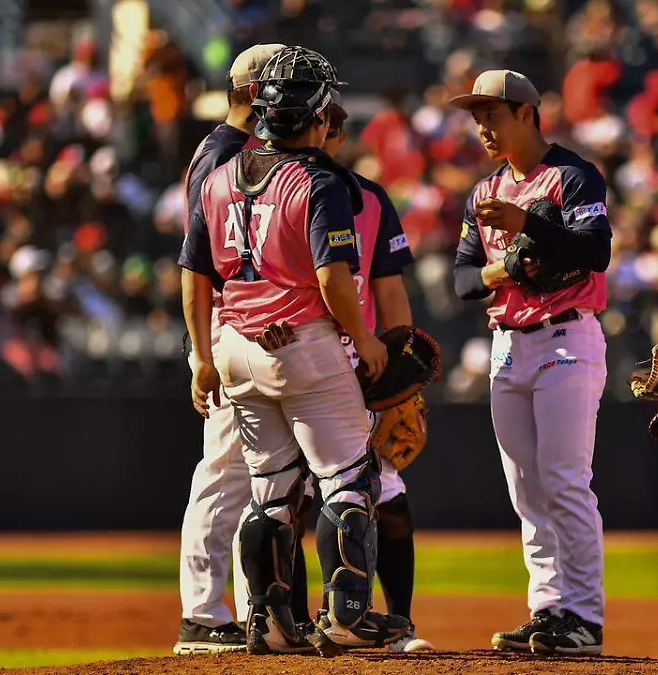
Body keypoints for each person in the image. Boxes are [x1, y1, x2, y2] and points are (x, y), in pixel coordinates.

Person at [179, 45, 409, 656]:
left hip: (235, 348)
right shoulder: (320, 179)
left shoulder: (222, 174)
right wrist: (362, 338)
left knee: (271, 491)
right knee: (349, 478)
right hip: (303, 342)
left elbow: (194, 275)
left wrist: (202, 356)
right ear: (313, 111)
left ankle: (270, 622)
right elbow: (335, 279)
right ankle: (348, 616)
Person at [232, 89, 437, 653]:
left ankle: (396, 621)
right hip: (310, 353)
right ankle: (305, 621)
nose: (331, 135)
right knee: (314, 493)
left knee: (380, 492)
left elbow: (387, 285)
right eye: (329, 123)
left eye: (338, 127)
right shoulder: (300, 189)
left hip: (352, 361)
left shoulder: (365, 197)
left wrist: (397, 368)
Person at [450, 69, 612, 657]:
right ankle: (547, 609)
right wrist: (503, 268)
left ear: (526, 113)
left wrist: (530, 227)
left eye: (492, 114)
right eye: (477, 117)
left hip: (567, 338)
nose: (483, 128)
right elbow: (465, 279)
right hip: (508, 346)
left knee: (566, 482)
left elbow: (597, 252)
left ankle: (585, 618)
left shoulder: (572, 175)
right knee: (527, 489)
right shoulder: (485, 190)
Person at [173, 42, 285, 656]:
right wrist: (202, 352)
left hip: (250, 324)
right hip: (229, 324)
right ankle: (201, 612)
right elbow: (197, 265)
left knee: (255, 476)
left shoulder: (242, 150)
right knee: (223, 473)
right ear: (257, 91)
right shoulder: (223, 154)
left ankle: (251, 609)